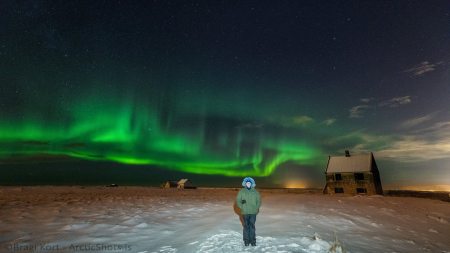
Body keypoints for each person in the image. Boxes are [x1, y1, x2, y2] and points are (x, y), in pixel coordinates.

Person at [236, 176, 261, 246]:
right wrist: (242, 207)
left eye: (249, 183)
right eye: (247, 183)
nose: (248, 184)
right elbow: (238, 200)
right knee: (246, 226)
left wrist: (256, 208)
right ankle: (246, 241)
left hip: (253, 212)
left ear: (252, 184)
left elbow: (259, 201)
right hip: (245, 212)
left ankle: (253, 241)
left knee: (252, 226)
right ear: (245, 184)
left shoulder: (256, 192)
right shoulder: (242, 191)